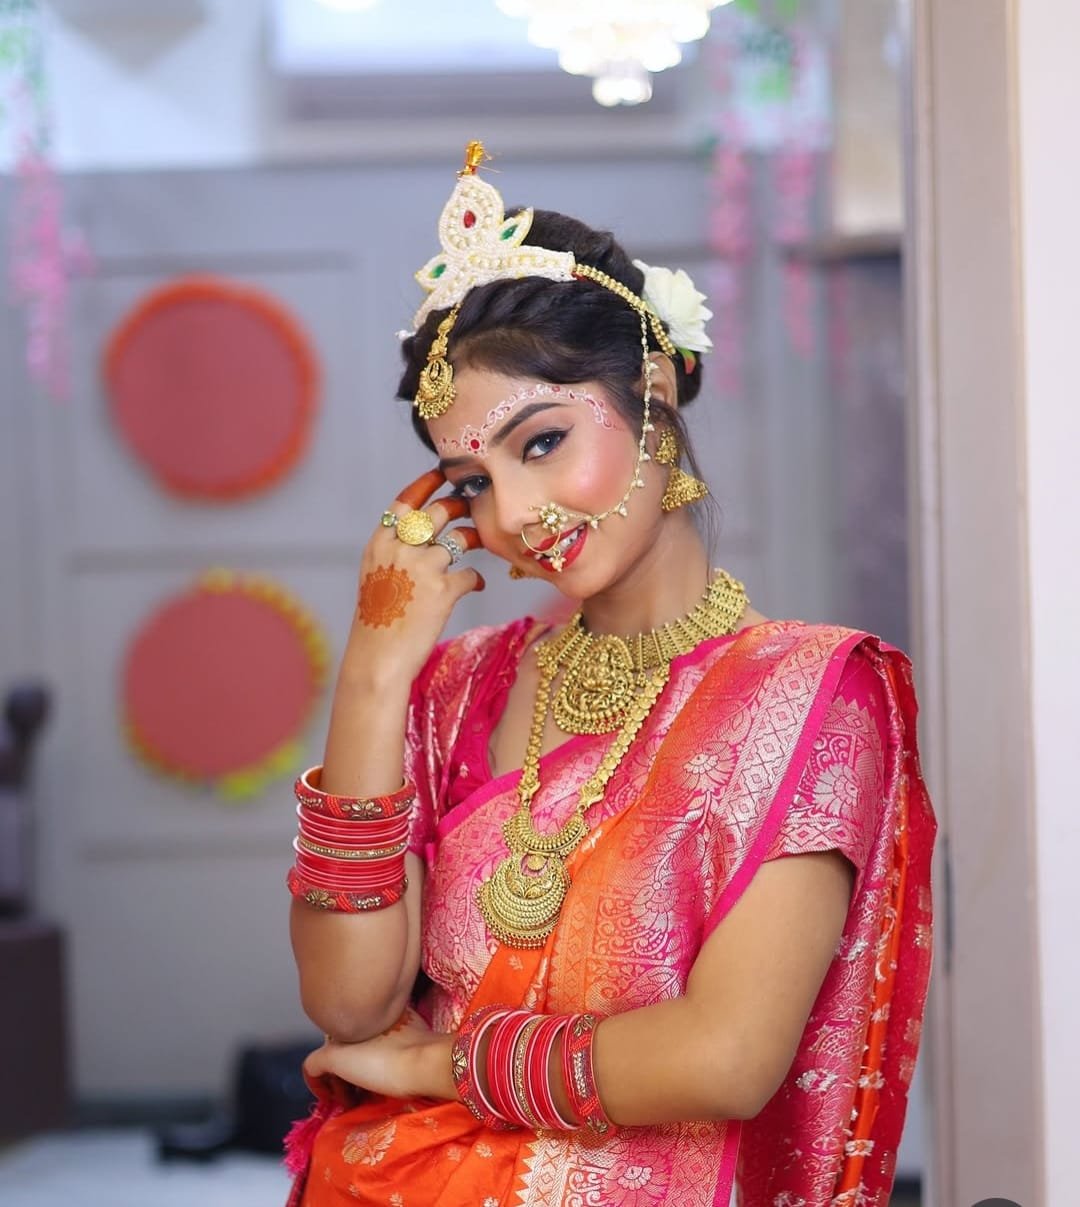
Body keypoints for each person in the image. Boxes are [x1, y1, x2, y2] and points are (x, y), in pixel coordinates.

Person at [284, 141, 935, 1207]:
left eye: (541, 443)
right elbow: (350, 1007)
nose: (512, 515)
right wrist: (372, 672)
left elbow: (726, 1057)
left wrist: (443, 1065)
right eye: (470, 483)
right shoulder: (457, 688)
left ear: (656, 392)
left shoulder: (809, 695)